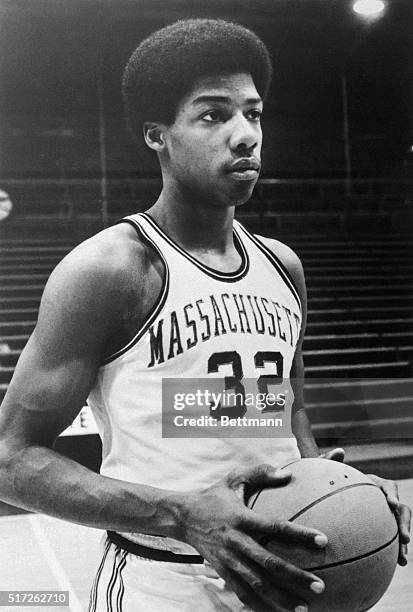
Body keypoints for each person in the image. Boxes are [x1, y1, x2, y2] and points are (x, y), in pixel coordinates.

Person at [0, 19, 410, 612]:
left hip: (281, 580)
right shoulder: (110, 270)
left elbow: (283, 410)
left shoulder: (283, 266)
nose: (245, 135)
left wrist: (334, 487)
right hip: (162, 581)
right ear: (156, 136)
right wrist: (182, 517)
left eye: (255, 113)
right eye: (213, 115)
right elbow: (11, 457)